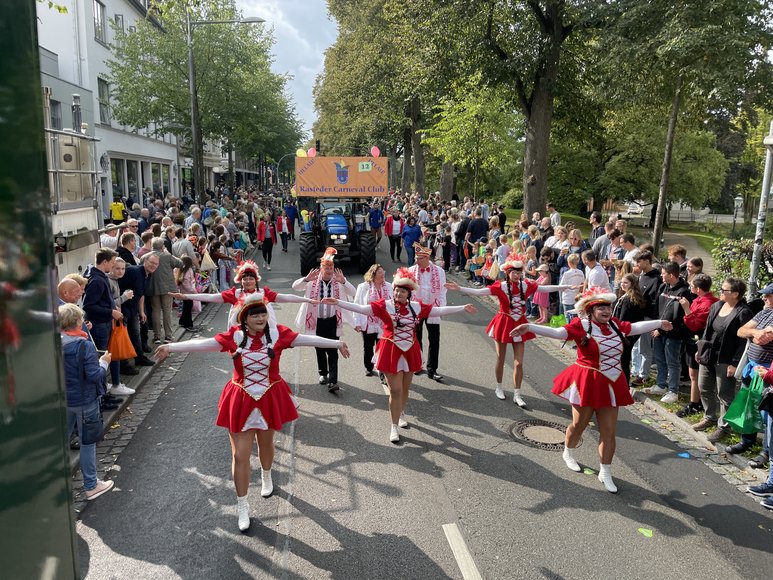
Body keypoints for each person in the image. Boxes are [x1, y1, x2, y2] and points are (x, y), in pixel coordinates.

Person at [154, 293, 350, 531]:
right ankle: (243, 504)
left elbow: (307, 339)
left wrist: (336, 343)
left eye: (263, 313)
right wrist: (170, 347)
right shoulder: (233, 337)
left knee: (266, 445)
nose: (260, 317)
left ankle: (267, 475)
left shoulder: (278, 335)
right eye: (255, 314)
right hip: (241, 398)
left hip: (269, 397)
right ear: (244, 318)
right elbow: (202, 344)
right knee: (240, 455)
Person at [511, 287, 673, 493]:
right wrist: (531, 327)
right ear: (590, 309)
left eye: (608, 306)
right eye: (601, 307)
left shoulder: (614, 325)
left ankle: (605, 471)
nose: (607, 311)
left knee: (609, 431)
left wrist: (660, 323)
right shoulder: (581, 325)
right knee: (579, 424)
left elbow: (634, 327)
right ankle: (568, 452)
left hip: (612, 382)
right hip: (587, 380)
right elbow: (559, 333)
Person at [324, 268, 476, 442]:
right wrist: (338, 302)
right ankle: (393, 426)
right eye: (396, 289)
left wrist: (462, 308)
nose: (398, 293)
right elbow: (360, 308)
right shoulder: (384, 305)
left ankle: (401, 412)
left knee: (404, 389)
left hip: (410, 350)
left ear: (408, 293)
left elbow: (438, 311)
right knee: (395, 390)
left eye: (402, 291)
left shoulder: (416, 307)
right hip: (390, 350)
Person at [445, 251, 576, 405]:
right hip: (504, 322)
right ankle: (499, 387)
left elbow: (544, 289)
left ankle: (517, 393)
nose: (516, 275)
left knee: (519, 362)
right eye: (513, 272)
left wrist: (565, 286)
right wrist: (459, 288)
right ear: (507, 273)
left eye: (519, 272)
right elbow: (480, 292)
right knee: (500, 358)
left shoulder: (526, 285)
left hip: (520, 324)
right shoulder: (501, 286)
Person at [59, 303, 115, 500]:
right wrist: (104, 362)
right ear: (77, 322)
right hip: (85, 400)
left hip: (64, 400)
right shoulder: (84, 345)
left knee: (60, 441)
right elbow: (94, 376)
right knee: (87, 443)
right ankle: (91, 485)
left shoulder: (56, 342)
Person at [692, 277, 754, 444]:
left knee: (724, 394)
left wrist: (735, 364)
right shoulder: (717, 305)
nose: (720, 292)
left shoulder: (743, 312)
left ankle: (724, 426)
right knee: (703, 387)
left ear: (735, 294)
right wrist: (701, 349)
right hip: (709, 355)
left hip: (726, 359)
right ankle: (709, 416)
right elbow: (708, 330)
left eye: (724, 290)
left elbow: (743, 342)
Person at [292, 248, 356, 392]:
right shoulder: (312, 281)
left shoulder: (338, 281)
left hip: (333, 321)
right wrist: (307, 279)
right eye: (326, 267)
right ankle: (323, 373)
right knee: (319, 348)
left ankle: (333, 381)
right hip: (316, 321)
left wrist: (344, 281)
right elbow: (295, 287)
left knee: (333, 350)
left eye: (331, 267)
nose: (328, 270)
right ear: (321, 268)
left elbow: (353, 292)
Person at [82, 248, 134, 398]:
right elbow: (89, 306)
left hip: (104, 323)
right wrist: (111, 312)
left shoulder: (98, 276)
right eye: (112, 263)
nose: (113, 266)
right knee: (102, 357)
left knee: (106, 354)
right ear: (104, 262)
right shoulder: (97, 280)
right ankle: (102, 394)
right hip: (100, 324)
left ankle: (104, 389)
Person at [642, 262, 691, 403]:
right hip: (659, 330)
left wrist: (660, 329)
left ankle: (673, 390)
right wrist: (655, 324)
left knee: (672, 362)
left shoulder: (683, 291)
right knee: (659, 359)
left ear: (671, 275)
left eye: (663, 273)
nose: (661, 275)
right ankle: (661, 384)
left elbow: (676, 315)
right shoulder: (663, 287)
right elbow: (658, 308)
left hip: (673, 334)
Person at [736, 284, 773, 467]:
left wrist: (756, 334)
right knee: (748, 405)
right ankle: (747, 440)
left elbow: (765, 338)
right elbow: (741, 330)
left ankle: (766, 451)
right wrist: (755, 332)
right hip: (751, 367)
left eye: (768, 296)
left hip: (767, 371)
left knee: (766, 412)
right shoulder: (764, 313)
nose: (764, 299)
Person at [676, 274, 718, 418]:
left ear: (698, 289)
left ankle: (695, 403)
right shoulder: (700, 300)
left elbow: (694, 325)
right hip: (692, 340)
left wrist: (686, 309)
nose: (690, 288)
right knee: (693, 373)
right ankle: (696, 400)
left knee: (694, 374)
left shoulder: (708, 303)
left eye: (692, 286)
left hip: (697, 341)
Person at [409, 243, 448, 381]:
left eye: (419, 258)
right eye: (416, 258)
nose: (416, 261)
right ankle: (418, 364)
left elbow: (443, 291)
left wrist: (441, 309)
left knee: (434, 339)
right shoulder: (411, 270)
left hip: (433, 308)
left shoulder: (439, 271)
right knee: (416, 338)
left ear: (426, 258)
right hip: (417, 309)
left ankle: (432, 369)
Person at [353, 264, 392, 381]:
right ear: (373, 275)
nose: (383, 275)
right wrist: (357, 322)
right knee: (368, 346)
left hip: (383, 323)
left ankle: (382, 371)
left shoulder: (389, 286)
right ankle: (369, 367)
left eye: (383, 272)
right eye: (380, 273)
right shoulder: (363, 287)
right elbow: (357, 304)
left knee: (382, 347)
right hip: (368, 322)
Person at [613, 273, 648, 378]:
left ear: (632, 284)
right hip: (630, 332)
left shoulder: (629, 299)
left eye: (626, 283)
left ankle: (624, 384)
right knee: (624, 360)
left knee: (623, 361)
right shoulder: (630, 296)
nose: (622, 285)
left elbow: (623, 319)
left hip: (626, 333)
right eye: (622, 282)